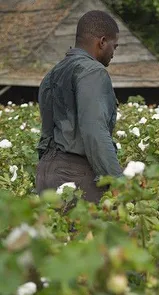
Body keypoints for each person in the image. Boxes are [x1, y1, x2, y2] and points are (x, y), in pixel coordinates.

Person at [36, 10, 123, 204]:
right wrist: (117, 182)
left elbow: (47, 133)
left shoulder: (53, 73)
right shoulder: (92, 71)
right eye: (113, 47)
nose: (113, 54)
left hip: (46, 172)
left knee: (52, 233)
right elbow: (95, 132)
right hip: (76, 175)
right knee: (87, 234)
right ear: (102, 42)